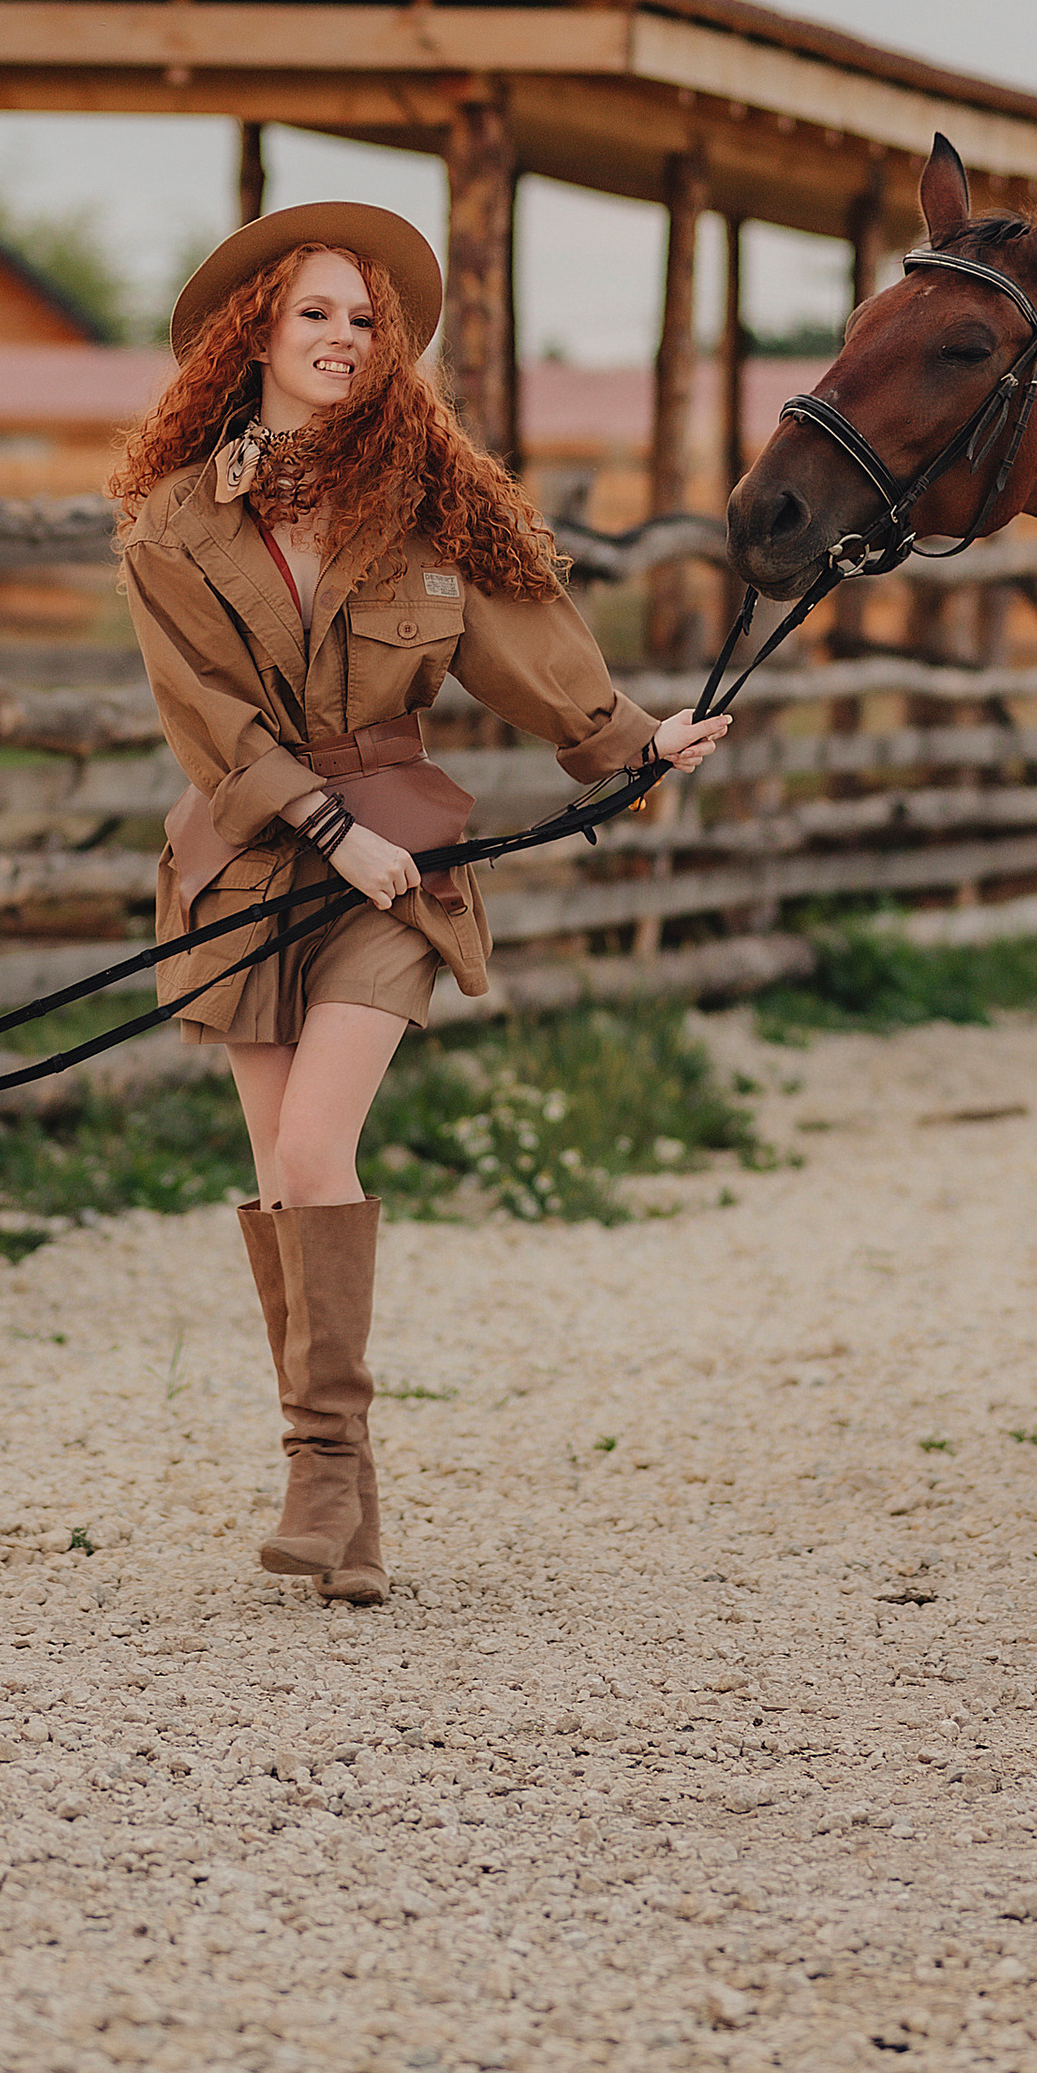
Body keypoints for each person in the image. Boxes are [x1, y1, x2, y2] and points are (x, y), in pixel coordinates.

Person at [110, 201, 729, 1608]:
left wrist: (637, 738)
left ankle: (317, 1467)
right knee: (279, 1176)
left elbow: (531, 654)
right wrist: (323, 826)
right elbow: (206, 719)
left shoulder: (421, 504)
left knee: (317, 1145)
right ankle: (355, 1510)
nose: (344, 336)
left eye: (363, 319)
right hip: (253, 854)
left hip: (397, 856)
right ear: (256, 331)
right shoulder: (168, 528)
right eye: (318, 311)